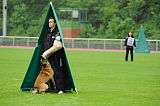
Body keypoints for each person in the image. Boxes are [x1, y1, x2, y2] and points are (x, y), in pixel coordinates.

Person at [41, 17, 72, 94]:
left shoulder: (57, 33)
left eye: (51, 22)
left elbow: (58, 46)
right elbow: (44, 43)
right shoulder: (47, 32)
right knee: (47, 72)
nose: (49, 23)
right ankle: (49, 88)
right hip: (47, 57)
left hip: (55, 56)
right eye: (49, 22)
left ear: (55, 23)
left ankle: (60, 89)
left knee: (57, 71)